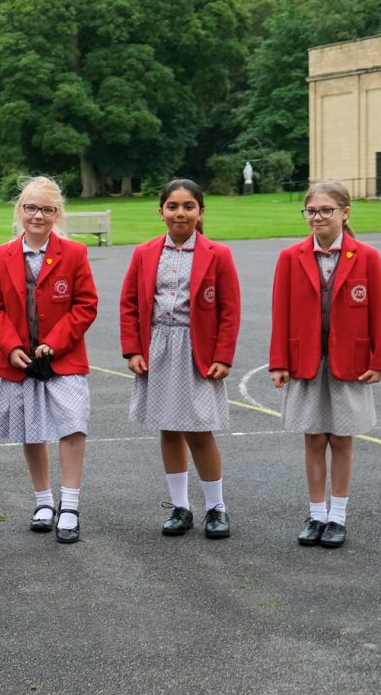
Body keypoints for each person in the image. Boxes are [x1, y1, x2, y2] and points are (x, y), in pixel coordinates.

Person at [270, 180, 381, 549]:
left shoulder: (366, 256)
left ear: (345, 212)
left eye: (326, 210)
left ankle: (338, 516)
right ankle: (316, 514)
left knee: (341, 439)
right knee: (313, 437)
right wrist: (279, 361)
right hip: (305, 360)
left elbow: (378, 312)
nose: (317, 217)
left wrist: (379, 360)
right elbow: (281, 313)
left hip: (348, 362)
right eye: (311, 210)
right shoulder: (290, 257)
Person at [119, 179, 240, 539]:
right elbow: (128, 305)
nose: (180, 213)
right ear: (161, 212)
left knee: (200, 430)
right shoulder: (144, 252)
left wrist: (223, 356)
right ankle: (180, 507)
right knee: (168, 428)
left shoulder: (218, 254)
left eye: (188, 206)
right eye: (173, 206)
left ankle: (216, 508)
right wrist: (134, 350)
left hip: (197, 349)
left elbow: (230, 311)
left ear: (201, 211)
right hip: (158, 348)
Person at [0, 176, 98, 544]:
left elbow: (85, 305)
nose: (38, 215)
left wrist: (54, 343)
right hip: (20, 362)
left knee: (72, 425)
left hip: (62, 359)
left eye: (47, 209)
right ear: (19, 211)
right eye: (31, 208)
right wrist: (11, 346)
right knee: (31, 430)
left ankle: (70, 505)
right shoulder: (2, 255)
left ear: (57, 214)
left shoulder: (75, 253)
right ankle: (44, 501)